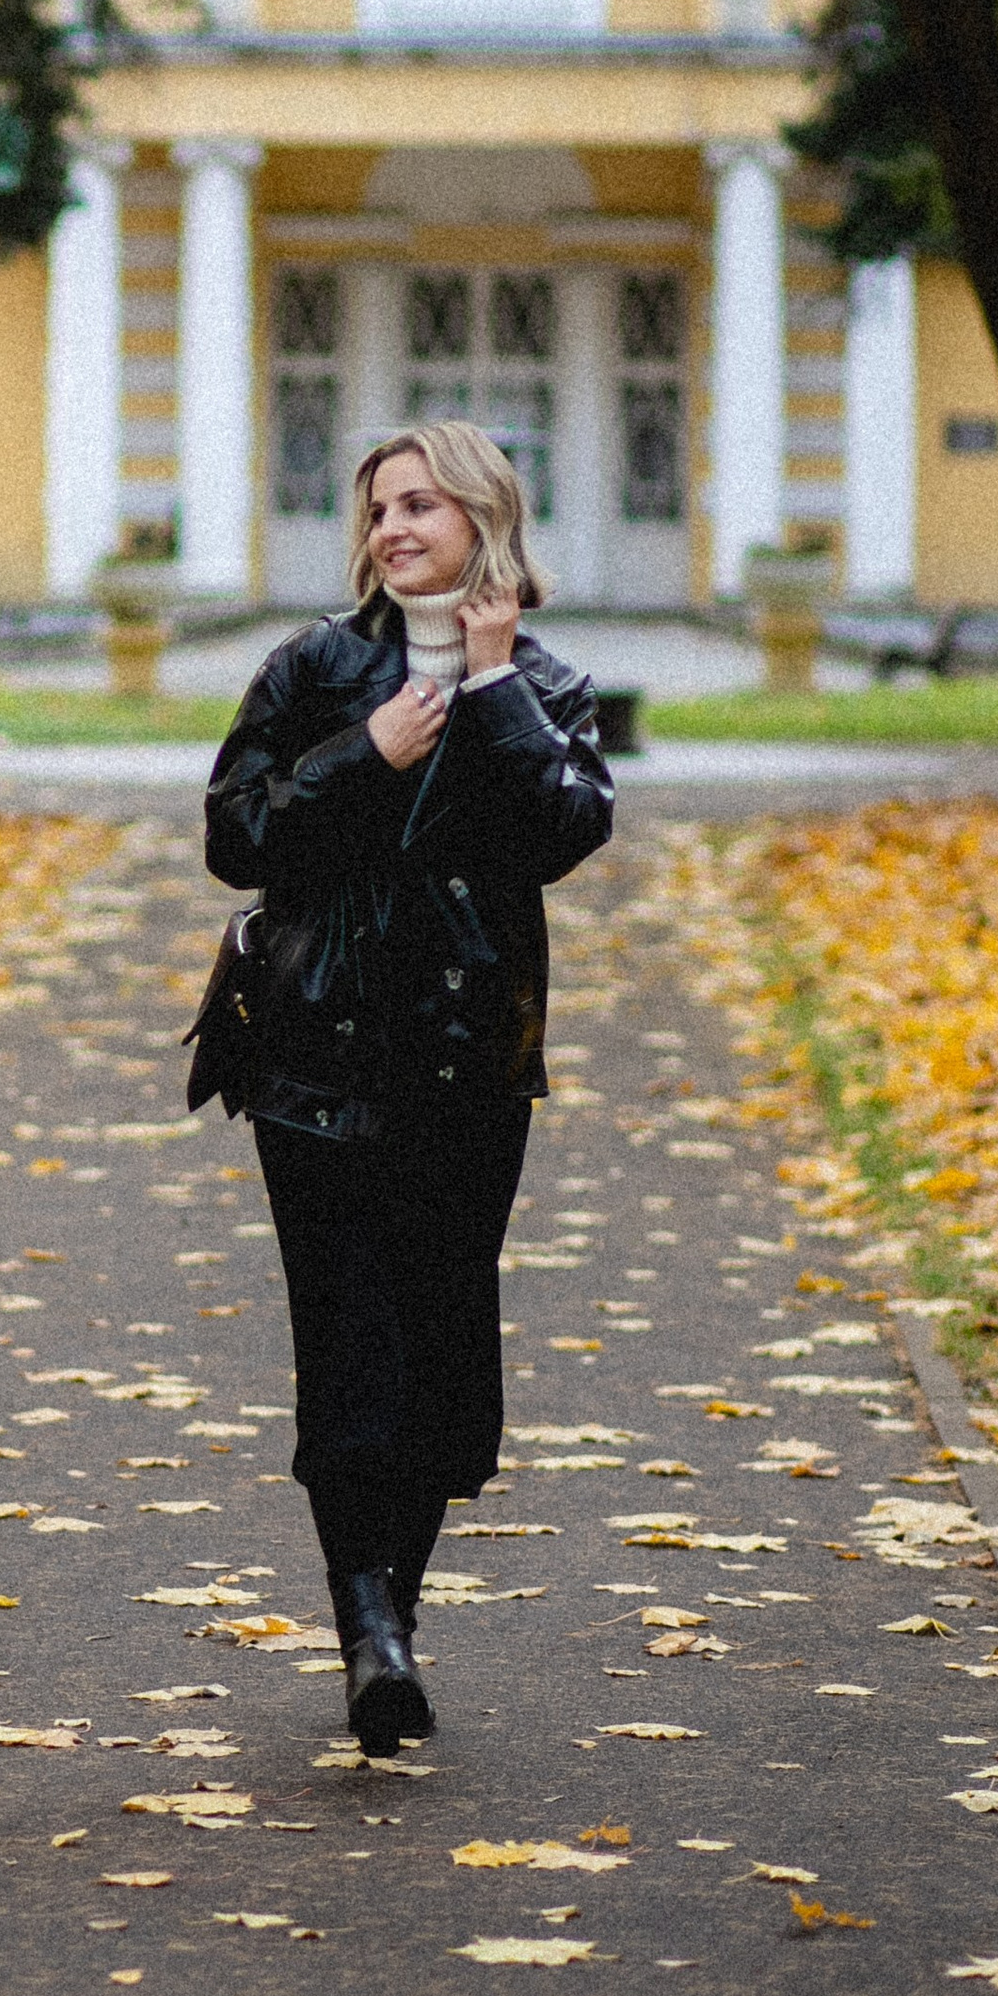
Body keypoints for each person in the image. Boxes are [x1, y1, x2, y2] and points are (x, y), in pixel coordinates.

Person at [194, 420, 613, 1755]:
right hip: (315, 1054)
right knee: (349, 1344)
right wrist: (358, 752)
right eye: (379, 509)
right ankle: (368, 1629)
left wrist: (491, 690)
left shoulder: (544, 683)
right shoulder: (315, 667)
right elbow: (234, 833)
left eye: (422, 506)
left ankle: (393, 1616)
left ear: (484, 518)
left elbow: (564, 830)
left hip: (468, 1064)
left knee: (441, 1362)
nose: (393, 530)